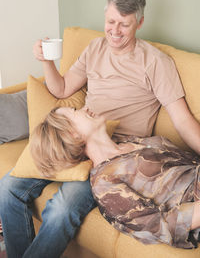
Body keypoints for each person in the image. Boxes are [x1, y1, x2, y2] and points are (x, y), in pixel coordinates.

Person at [0, 0, 200, 257]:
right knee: (8, 187)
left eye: (124, 25)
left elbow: (183, 120)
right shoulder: (95, 48)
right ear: (105, 15)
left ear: (139, 23)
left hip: (113, 150)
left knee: (62, 209)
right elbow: (61, 90)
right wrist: (46, 60)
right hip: (78, 136)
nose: (115, 31)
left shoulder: (155, 62)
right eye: (111, 21)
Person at [30, 106, 200, 249]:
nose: (85, 108)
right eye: (75, 110)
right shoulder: (105, 183)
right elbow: (159, 226)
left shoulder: (131, 141)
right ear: (72, 133)